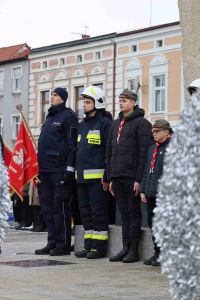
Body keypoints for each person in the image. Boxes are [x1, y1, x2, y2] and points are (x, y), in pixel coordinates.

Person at [107, 89, 152, 263]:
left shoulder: (142, 124)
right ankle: (125, 247)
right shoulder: (116, 124)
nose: (121, 103)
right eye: (120, 100)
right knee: (124, 214)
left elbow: (144, 154)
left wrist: (139, 179)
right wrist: (110, 177)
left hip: (132, 177)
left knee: (134, 213)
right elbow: (109, 152)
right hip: (117, 176)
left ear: (133, 102)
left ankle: (133, 250)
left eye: (125, 100)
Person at [35, 87, 78, 256]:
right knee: (47, 208)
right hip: (45, 170)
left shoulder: (68, 117)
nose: (51, 98)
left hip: (60, 170)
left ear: (63, 98)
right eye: (51, 95)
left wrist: (69, 168)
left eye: (55, 95)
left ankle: (63, 244)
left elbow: (72, 145)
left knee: (60, 208)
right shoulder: (50, 116)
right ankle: (51, 241)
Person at [75, 86, 112, 259]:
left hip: (97, 179)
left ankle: (99, 247)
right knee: (85, 213)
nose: (84, 105)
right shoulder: (82, 125)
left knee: (98, 212)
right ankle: (88, 245)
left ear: (97, 103)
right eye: (84, 102)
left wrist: (107, 175)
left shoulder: (104, 124)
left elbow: (108, 151)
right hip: (81, 178)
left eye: (88, 102)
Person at [140, 119, 173, 267]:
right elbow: (147, 171)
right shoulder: (152, 148)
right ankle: (158, 253)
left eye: (157, 131)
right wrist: (143, 190)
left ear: (166, 132)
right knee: (154, 225)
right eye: (153, 131)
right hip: (151, 193)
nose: (154, 134)